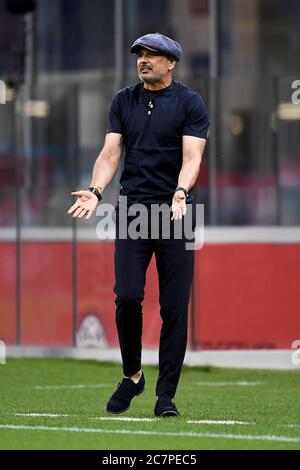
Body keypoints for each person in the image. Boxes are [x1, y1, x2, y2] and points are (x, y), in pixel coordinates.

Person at [68, 33, 210, 417]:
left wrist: (181, 190)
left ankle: (166, 397)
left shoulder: (190, 102)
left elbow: (192, 156)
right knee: (128, 296)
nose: (144, 60)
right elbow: (110, 151)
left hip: (175, 214)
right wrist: (97, 191)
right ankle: (133, 375)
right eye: (140, 55)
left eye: (153, 55)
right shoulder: (123, 101)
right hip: (132, 212)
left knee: (175, 308)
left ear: (171, 63)